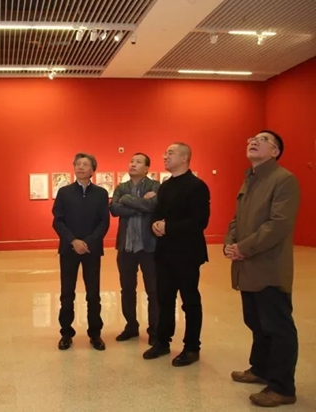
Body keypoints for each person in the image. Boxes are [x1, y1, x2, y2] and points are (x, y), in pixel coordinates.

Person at [224, 130, 300, 408]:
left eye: (263, 139)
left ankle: (282, 387)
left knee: (277, 327)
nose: (253, 141)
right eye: (251, 139)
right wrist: (230, 243)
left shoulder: (284, 179)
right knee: (256, 322)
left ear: (275, 151)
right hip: (247, 264)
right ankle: (260, 368)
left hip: (269, 267)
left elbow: (278, 224)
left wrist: (243, 247)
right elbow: (236, 219)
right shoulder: (250, 178)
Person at [143, 142, 210, 367]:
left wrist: (168, 227)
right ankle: (162, 342)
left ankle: (192, 347)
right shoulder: (165, 186)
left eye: (170, 153)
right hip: (164, 252)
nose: (165, 156)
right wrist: (155, 225)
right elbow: (157, 213)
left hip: (187, 253)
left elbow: (199, 221)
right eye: (165, 153)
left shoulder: (197, 186)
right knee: (164, 299)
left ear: (184, 158)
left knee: (189, 301)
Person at [52, 153, 110, 351]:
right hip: (69, 249)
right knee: (67, 293)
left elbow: (104, 223)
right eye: (78, 164)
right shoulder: (64, 192)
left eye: (85, 164)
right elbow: (57, 221)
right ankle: (66, 333)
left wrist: (87, 242)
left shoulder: (101, 193)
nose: (81, 167)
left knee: (93, 294)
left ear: (93, 169)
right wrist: (73, 241)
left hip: (91, 250)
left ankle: (95, 334)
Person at [110, 153, 161, 346]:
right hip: (126, 247)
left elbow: (154, 206)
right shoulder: (121, 187)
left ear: (147, 168)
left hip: (149, 247)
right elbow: (114, 209)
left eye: (138, 162)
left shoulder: (155, 186)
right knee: (127, 289)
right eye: (132, 161)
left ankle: (154, 330)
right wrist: (141, 204)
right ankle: (131, 326)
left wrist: (127, 200)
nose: (133, 164)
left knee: (153, 290)